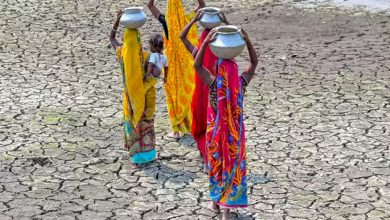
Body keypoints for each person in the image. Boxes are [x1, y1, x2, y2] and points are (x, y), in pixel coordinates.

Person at [194, 29, 258, 219]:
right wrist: (247, 41)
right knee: (231, 167)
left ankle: (216, 203)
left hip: (215, 136)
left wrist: (205, 42)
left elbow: (197, 65)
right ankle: (226, 210)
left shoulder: (214, 84)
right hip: (234, 137)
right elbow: (254, 63)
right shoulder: (240, 84)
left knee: (217, 167)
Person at [147, 0, 205, 140]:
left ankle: (176, 130)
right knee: (188, 93)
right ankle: (192, 125)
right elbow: (202, 6)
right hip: (186, 66)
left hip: (170, 65)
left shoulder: (165, 21)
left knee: (173, 95)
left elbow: (150, 5)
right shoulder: (188, 19)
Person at [180, 10, 229, 173]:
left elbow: (182, 37)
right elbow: (232, 44)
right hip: (216, 98)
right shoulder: (220, 58)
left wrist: (194, 20)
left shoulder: (197, 57)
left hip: (200, 97)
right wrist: (225, 23)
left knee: (202, 127)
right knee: (216, 128)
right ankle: (213, 159)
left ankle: (205, 159)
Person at [109, 10, 158, 167]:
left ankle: (136, 159)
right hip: (146, 99)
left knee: (133, 127)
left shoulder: (123, 55)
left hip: (129, 99)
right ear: (139, 40)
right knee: (147, 126)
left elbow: (111, 38)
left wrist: (117, 21)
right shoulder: (146, 56)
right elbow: (157, 73)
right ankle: (149, 155)